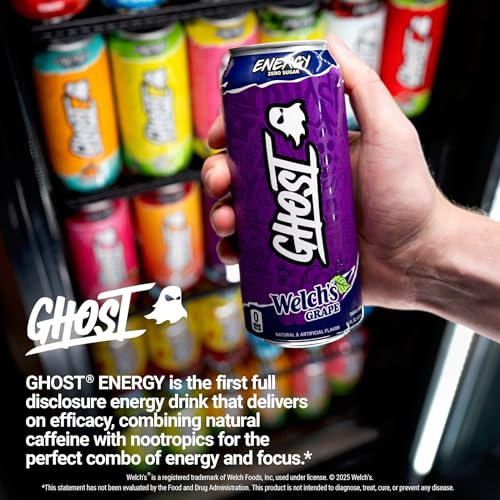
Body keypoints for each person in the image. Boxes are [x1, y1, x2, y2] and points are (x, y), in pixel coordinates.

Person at [201, 34, 500, 343]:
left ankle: (338, 294)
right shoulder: (251, 75)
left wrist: (420, 241)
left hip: (338, 286)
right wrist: (420, 249)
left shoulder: (305, 69)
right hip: (312, 290)